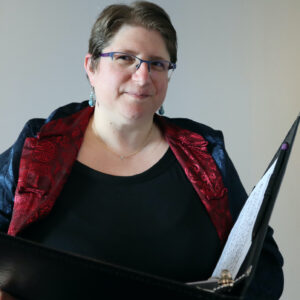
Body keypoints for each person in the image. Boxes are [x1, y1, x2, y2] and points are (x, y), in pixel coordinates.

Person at [0, 1, 283, 299]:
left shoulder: (206, 154)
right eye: (125, 58)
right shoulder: (38, 146)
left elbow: (264, 264)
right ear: (91, 67)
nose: (143, 76)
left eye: (157, 63)